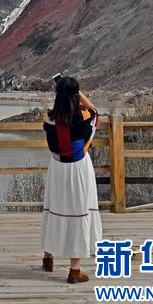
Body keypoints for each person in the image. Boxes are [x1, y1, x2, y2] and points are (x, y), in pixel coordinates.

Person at [40, 76, 102, 284]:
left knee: (54, 208)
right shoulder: (84, 116)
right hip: (78, 167)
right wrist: (78, 93)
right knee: (78, 212)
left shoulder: (48, 117)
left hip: (56, 168)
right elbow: (94, 111)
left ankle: (48, 256)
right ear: (76, 95)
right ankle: (75, 271)